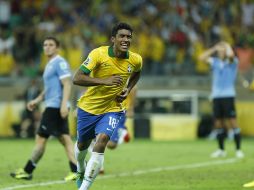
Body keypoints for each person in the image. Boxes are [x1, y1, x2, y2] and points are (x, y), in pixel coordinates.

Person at [73, 22, 142, 190]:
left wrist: (127, 89)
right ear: (113, 39)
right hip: (88, 108)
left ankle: (84, 188)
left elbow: (137, 73)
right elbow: (77, 78)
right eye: (122, 36)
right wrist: (104, 81)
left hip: (114, 108)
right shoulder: (99, 54)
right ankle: (80, 168)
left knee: (102, 140)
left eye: (129, 37)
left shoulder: (135, 59)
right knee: (82, 145)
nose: (126, 39)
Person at [10, 36, 77, 181]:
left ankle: (27, 171)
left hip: (55, 107)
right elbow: (49, 88)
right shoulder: (48, 64)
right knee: (65, 139)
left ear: (57, 48)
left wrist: (64, 105)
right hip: (53, 105)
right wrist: (37, 100)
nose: (47, 47)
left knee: (41, 139)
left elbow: (67, 84)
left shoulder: (60, 62)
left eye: (51, 44)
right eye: (45, 44)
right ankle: (76, 171)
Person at [199, 41, 244, 158]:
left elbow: (231, 56)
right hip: (216, 96)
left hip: (228, 95)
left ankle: (238, 150)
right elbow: (201, 58)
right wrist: (214, 48)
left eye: (222, 50)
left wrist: (226, 45)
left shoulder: (233, 62)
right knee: (218, 123)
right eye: (219, 51)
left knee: (233, 122)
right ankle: (221, 149)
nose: (220, 52)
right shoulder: (215, 62)